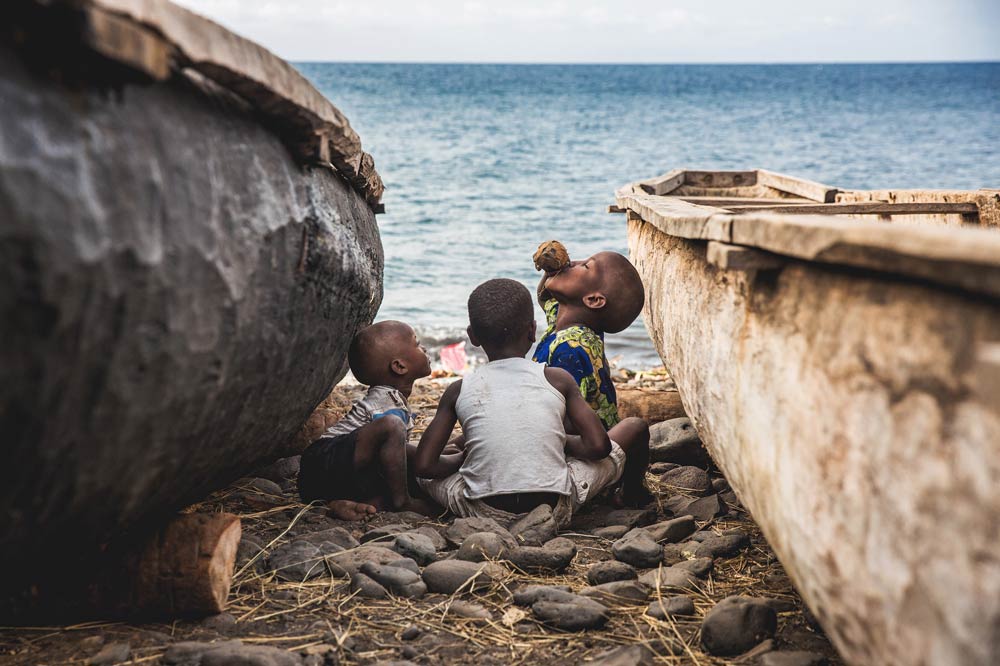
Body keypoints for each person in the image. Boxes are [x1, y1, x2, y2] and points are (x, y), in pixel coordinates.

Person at [413, 278, 650, 526]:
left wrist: (461, 459)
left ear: (472, 336)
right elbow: (599, 446)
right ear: (532, 331)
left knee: (416, 465)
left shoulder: (458, 389)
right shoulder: (557, 379)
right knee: (634, 427)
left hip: (482, 511)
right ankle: (631, 495)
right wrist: (560, 441)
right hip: (555, 505)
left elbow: (424, 465)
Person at [298, 320, 463, 519]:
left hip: (336, 478)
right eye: (417, 344)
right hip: (321, 462)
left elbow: (396, 453)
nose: (425, 349)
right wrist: (454, 459)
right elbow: (403, 448)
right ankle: (402, 502)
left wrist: (441, 451)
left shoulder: (394, 399)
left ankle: (343, 502)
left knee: (392, 474)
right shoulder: (386, 400)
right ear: (400, 366)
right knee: (393, 429)